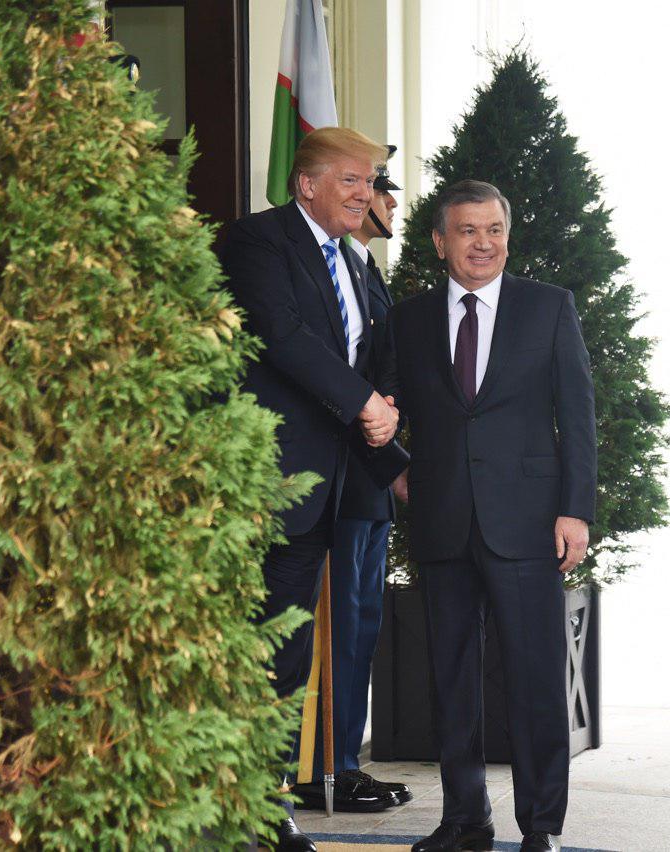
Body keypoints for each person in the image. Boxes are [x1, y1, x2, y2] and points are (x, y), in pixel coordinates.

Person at [379, 180, 597, 852]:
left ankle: (541, 828)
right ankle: (465, 819)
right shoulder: (407, 319)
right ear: (441, 242)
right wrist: (400, 477)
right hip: (442, 523)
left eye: (494, 229)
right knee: (450, 680)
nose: (483, 243)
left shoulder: (548, 309)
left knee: (535, 680)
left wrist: (575, 511)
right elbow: (379, 413)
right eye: (468, 231)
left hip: (530, 524)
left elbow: (579, 417)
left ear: (508, 234)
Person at [218, 126, 407, 852]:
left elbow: (377, 351)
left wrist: (389, 421)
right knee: (252, 646)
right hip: (267, 486)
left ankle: (269, 806)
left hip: (334, 490)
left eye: (371, 183)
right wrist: (366, 405)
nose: (368, 195)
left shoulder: (359, 262)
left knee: (290, 651)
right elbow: (284, 336)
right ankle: (234, 803)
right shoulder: (258, 243)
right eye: (353, 181)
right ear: (306, 184)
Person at [291, 150, 411, 811]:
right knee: (329, 627)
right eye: (373, 190)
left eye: (380, 190)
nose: (384, 203)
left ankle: (342, 760)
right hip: (332, 477)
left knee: (360, 625)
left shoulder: (367, 273)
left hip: (367, 477)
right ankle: (318, 770)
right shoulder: (327, 272)